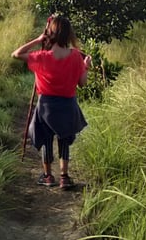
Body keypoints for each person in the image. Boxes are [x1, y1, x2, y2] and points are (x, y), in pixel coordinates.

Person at [11, 15, 91, 189]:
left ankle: (48, 176)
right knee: (64, 138)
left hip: (46, 105)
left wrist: (38, 39)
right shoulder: (76, 56)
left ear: (50, 33)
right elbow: (82, 83)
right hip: (68, 104)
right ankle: (64, 177)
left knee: (46, 138)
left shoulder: (42, 57)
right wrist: (86, 67)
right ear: (68, 35)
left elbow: (16, 54)